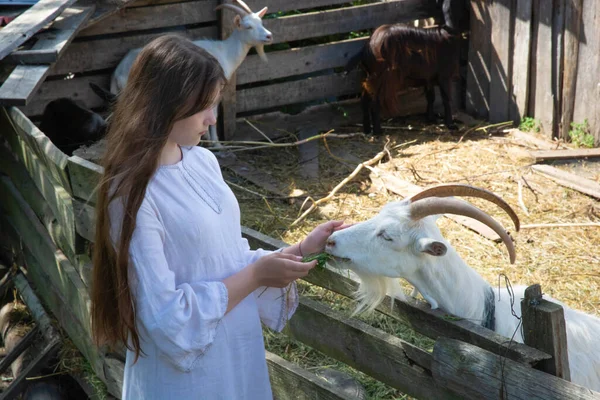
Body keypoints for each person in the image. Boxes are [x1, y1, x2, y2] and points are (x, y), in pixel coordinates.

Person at [90, 34, 346, 399]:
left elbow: (226, 258)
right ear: (162, 106)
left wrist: (301, 250)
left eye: (215, 103)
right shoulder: (131, 195)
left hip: (236, 354)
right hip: (186, 380)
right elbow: (165, 317)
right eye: (203, 107)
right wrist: (258, 274)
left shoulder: (202, 161)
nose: (212, 119)